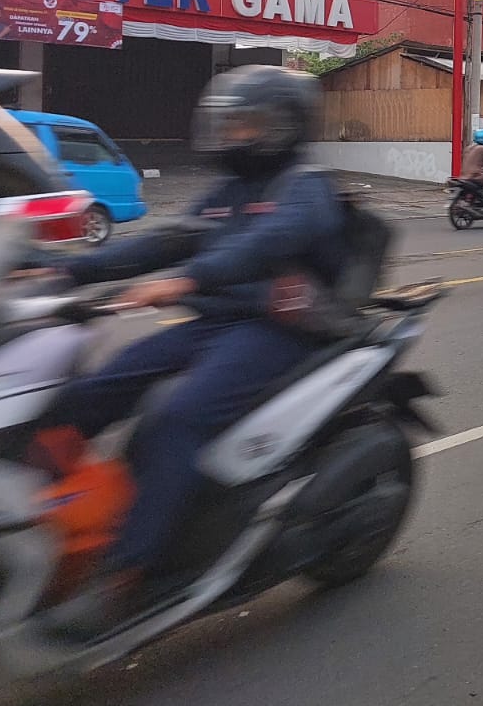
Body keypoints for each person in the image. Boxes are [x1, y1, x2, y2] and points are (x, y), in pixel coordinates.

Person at [34, 65, 347, 639]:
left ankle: (127, 574)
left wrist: (187, 280)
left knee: (174, 420)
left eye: (245, 125)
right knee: (94, 389)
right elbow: (165, 240)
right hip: (214, 321)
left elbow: (265, 244)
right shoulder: (228, 192)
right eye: (228, 124)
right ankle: (41, 520)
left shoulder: (306, 187)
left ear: (284, 127)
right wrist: (64, 270)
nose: (232, 135)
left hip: (276, 329)